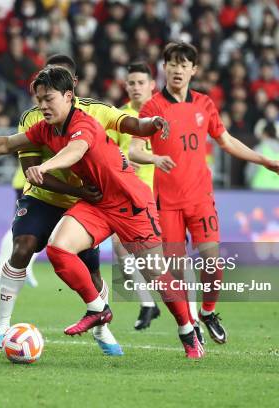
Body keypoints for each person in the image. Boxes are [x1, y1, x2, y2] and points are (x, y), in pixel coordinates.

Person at [0, 66, 205, 359]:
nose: (42, 106)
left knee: (156, 274)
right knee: (59, 249)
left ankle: (187, 332)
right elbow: (7, 143)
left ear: (68, 95)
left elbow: (75, 151)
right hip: (98, 203)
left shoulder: (84, 123)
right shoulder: (46, 128)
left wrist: (46, 166)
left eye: (48, 99)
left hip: (131, 204)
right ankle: (98, 309)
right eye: (39, 100)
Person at [129, 41, 279, 345]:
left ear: (194, 70)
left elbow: (226, 141)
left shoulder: (204, 104)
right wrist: (155, 158)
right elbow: (135, 150)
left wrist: (265, 161)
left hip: (200, 198)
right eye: (172, 63)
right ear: (164, 68)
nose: (177, 69)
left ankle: (208, 311)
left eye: (184, 64)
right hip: (168, 204)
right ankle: (189, 326)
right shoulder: (152, 108)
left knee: (213, 263)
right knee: (175, 273)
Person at [106, 61, 161, 330]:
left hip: (162, 193)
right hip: (127, 194)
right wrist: (124, 159)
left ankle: (188, 314)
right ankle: (147, 302)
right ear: (126, 86)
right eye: (132, 83)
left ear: (152, 85)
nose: (136, 88)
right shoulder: (119, 118)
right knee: (119, 248)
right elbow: (107, 151)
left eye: (141, 82)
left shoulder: (165, 112)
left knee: (166, 254)